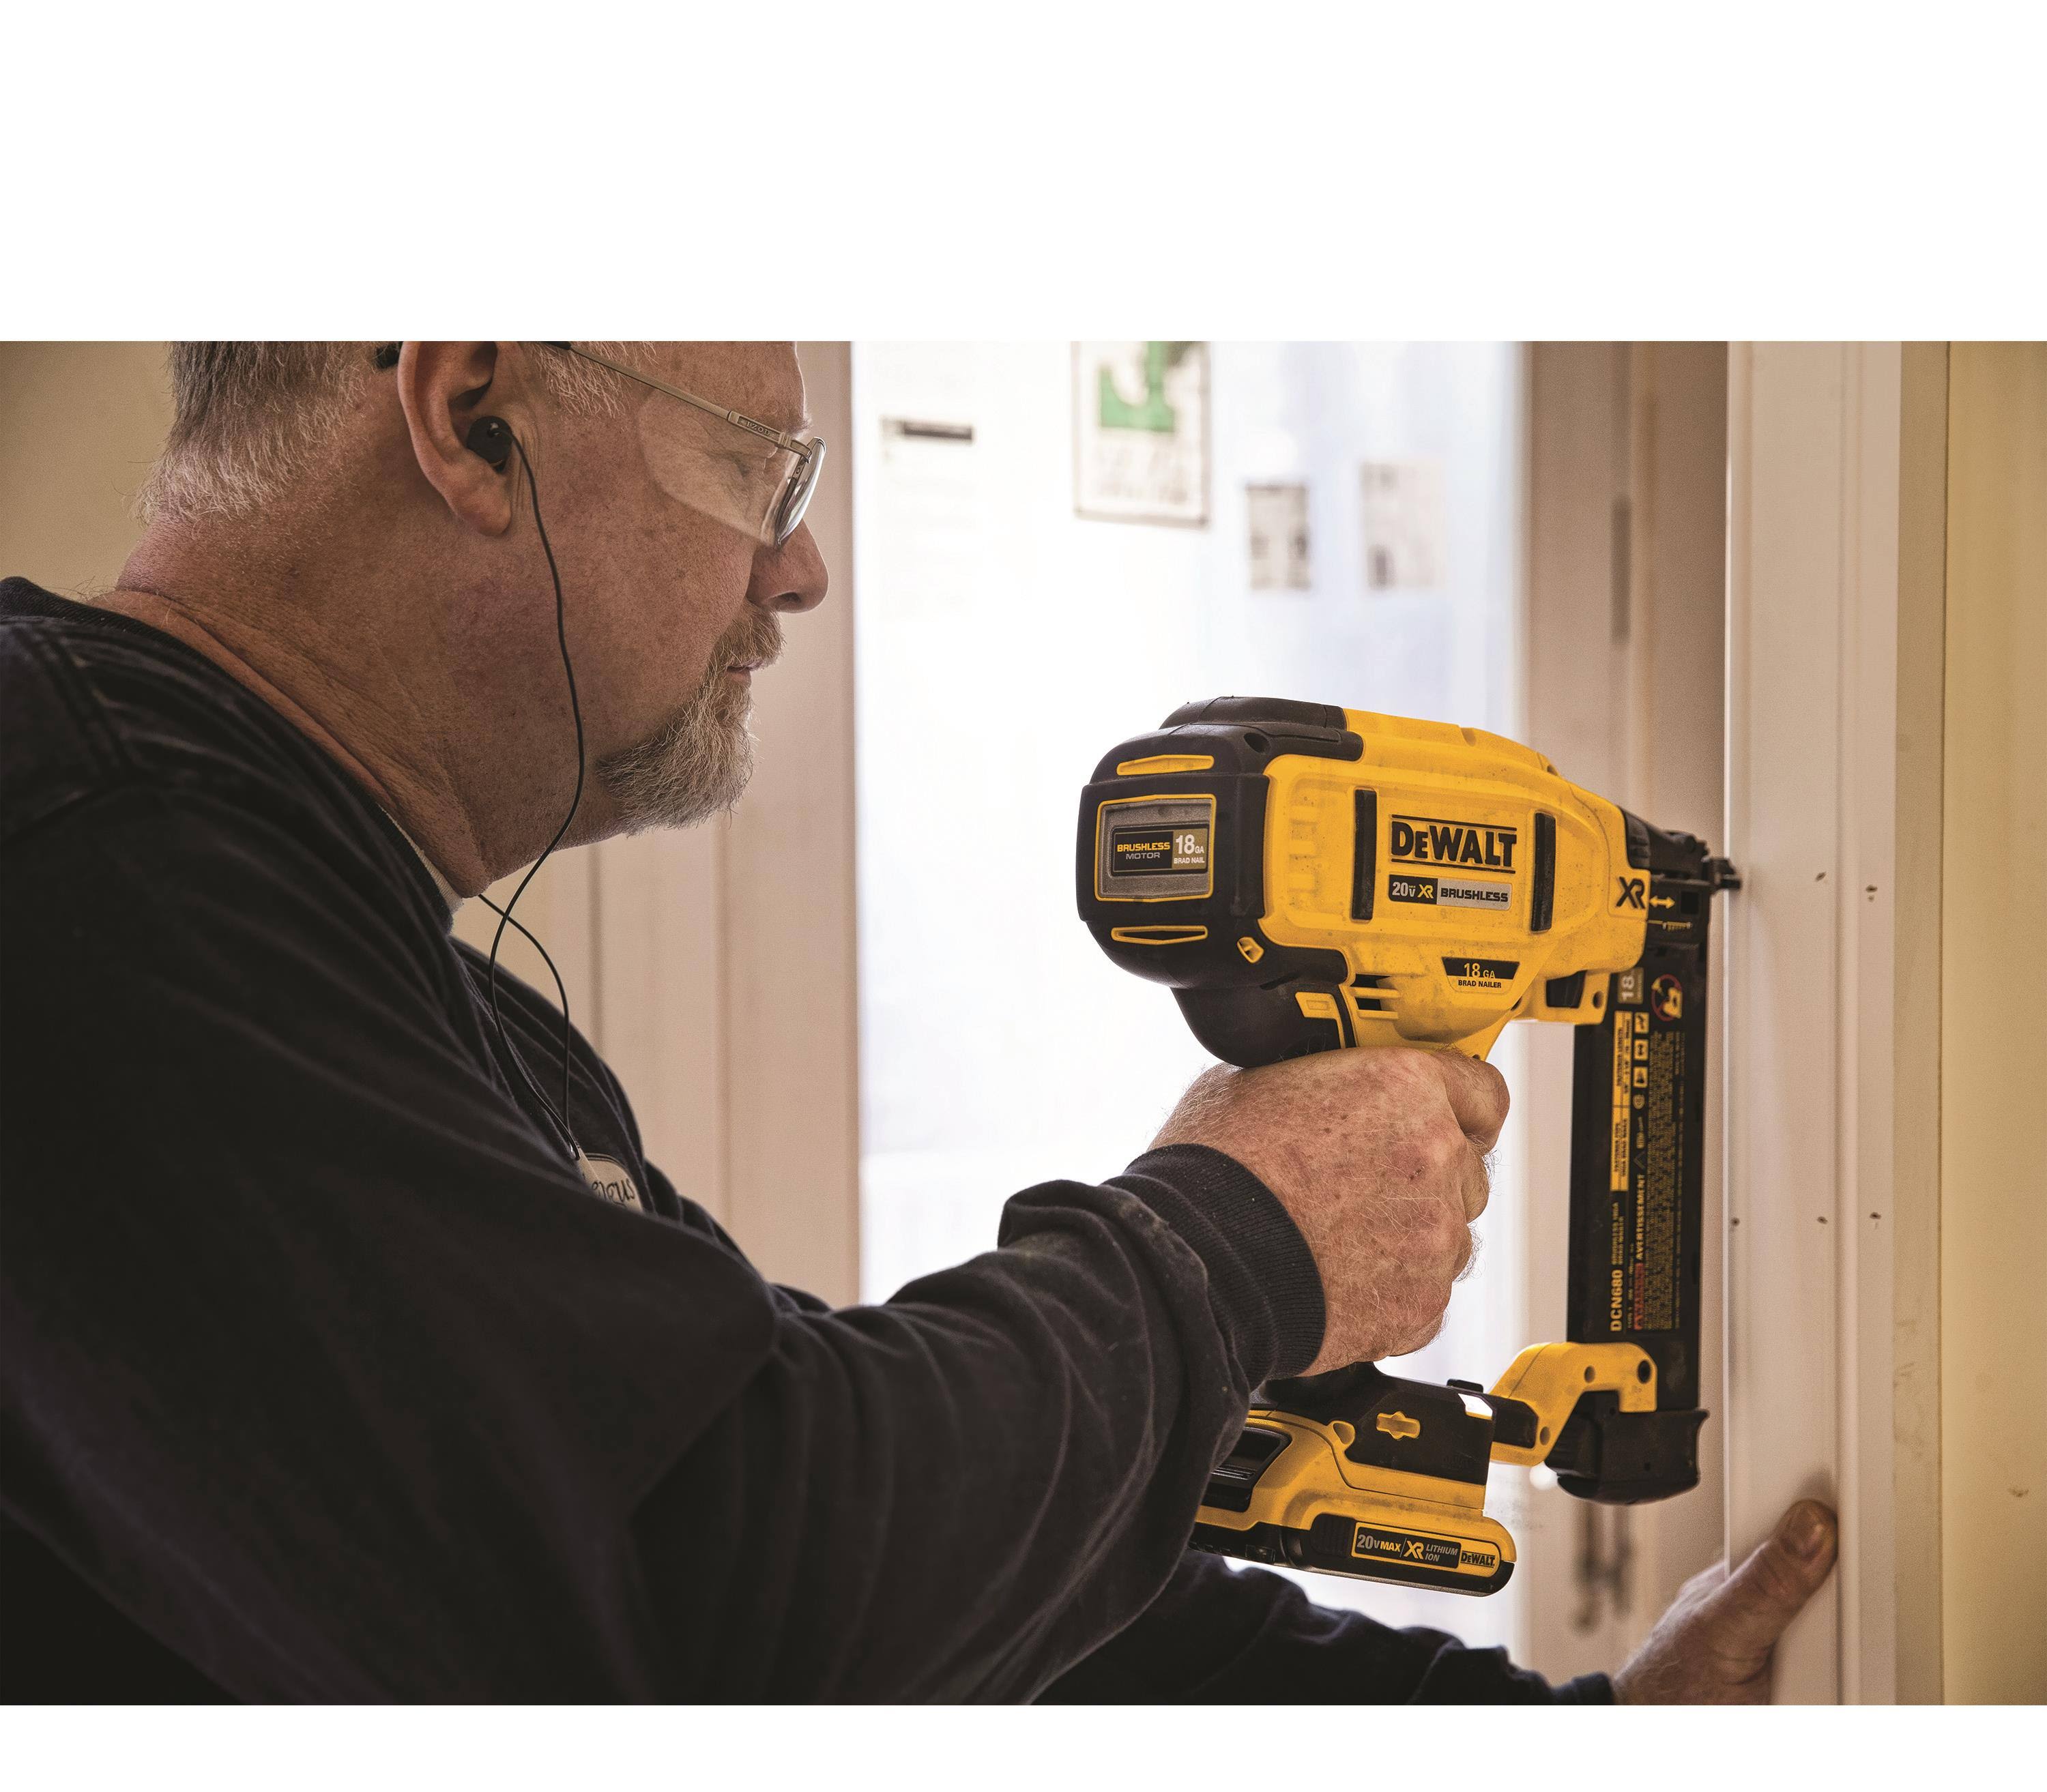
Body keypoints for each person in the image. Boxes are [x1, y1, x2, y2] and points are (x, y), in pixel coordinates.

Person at [0, 341, 1836, 1703]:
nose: (797, 571)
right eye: (762, 474)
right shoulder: (95, 865)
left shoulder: (395, 982)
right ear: (473, 411)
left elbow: (898, 1563)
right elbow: (734, 1614)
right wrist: (1237, 1241)